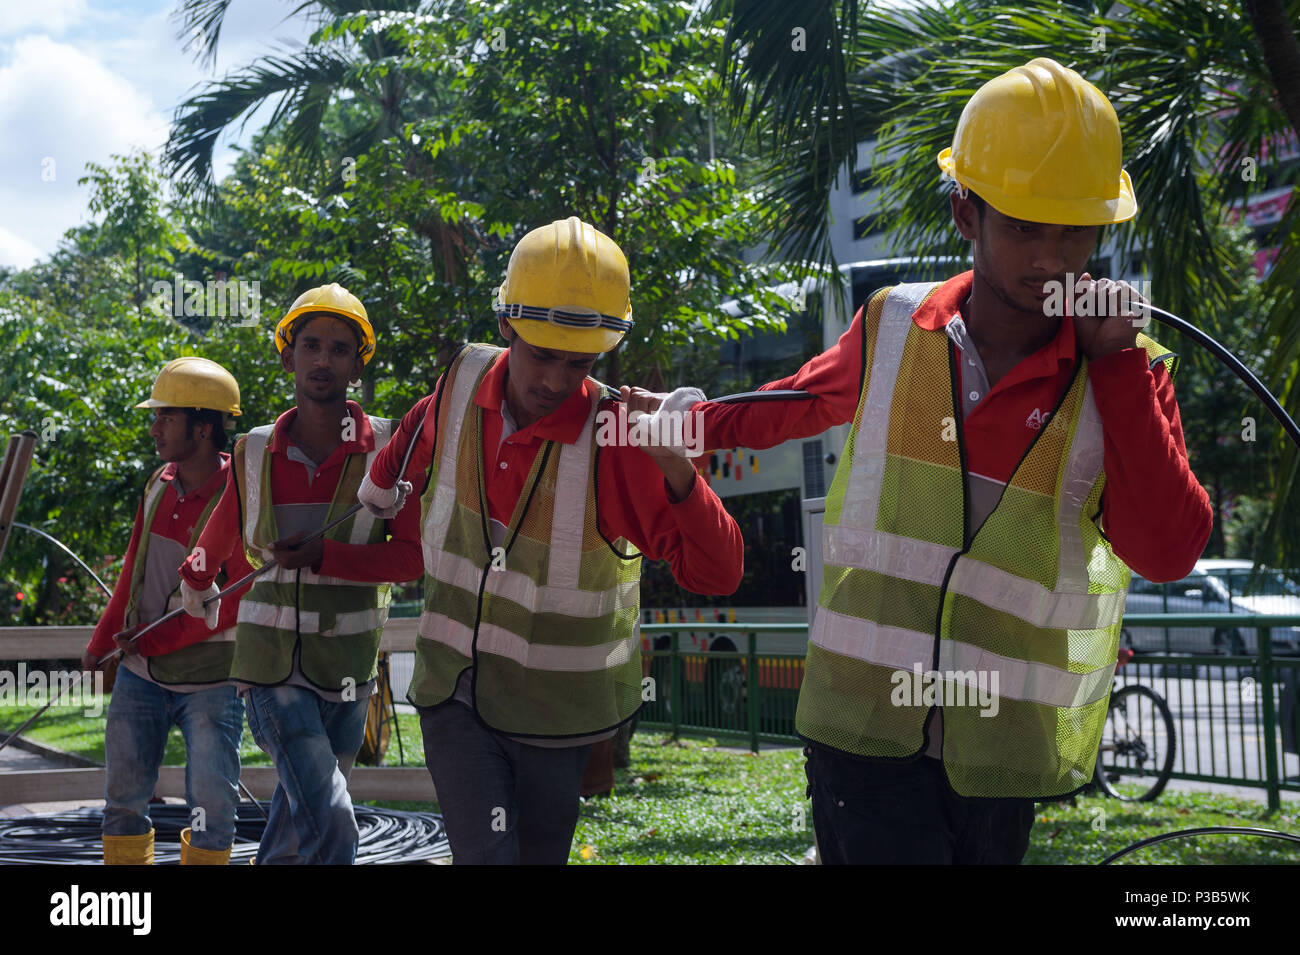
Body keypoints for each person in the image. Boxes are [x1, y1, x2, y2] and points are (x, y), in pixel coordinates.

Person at [684, 58, 1213, 863]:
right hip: (864, 732)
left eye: (1075, 229)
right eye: (1025, 226)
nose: (1052, 258)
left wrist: (1117, 369)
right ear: (967, 214)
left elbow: (1169, 551)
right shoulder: (893, 326)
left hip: (998, 752)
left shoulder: (1131, 374)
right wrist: (672, 423)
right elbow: (784, 406)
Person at [358, 216, 744, 864]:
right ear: (506, 324)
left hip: (557, 717)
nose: (559, 380)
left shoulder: (619, 440)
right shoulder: (458, 383)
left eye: (581, 362)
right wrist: (375, 496)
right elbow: (410, 439)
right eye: (543, 355)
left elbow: (718, 572)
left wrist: (678, 467)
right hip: (455, 692)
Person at [179, 283, 422, 864]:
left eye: (340, 349)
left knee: (296, 821)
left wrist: (324, 557)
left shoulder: (392, 449)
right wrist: (197, 574)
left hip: (348, 669)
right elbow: (224, 527)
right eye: (311, 346)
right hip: (271, 668)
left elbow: (412, 559)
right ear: (288, 357)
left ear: (358, 364)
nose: (323, 360)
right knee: (332, 819)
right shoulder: (255, 449)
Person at [82, 357, 252, 865]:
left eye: (166, 418)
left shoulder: (242, 497)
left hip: (212, 684)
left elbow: (238, 599)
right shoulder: (158, 483)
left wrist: (152, 641)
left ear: (203, 427)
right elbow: (132, 571)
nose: (154, 428)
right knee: (123, 806)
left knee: (212, 811)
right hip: (140, 676)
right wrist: (99, 644)